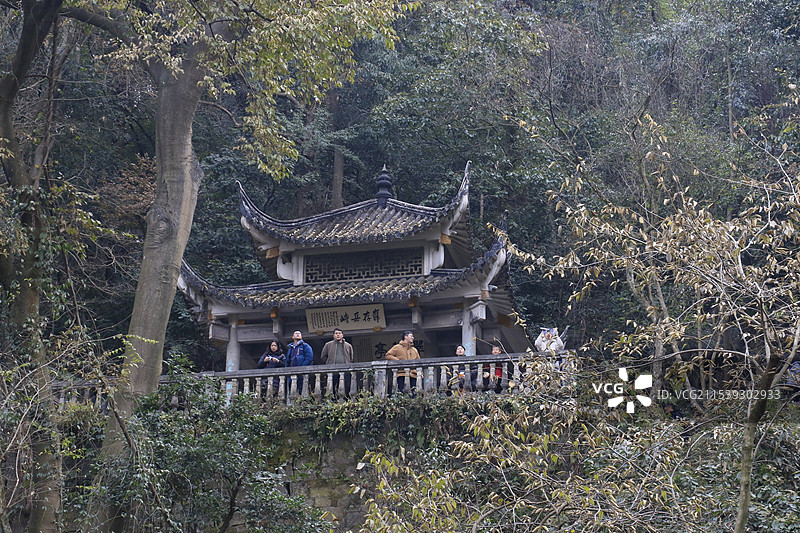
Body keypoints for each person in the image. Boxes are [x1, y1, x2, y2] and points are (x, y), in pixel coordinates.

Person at [320, 328, 353, 396]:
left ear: (342, 335)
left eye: (339, 333)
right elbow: (323, 357)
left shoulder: (348, 346)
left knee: (346, 386)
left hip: (345, 370)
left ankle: (346, 400)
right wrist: (329, 363)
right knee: (333, 387)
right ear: (333, 335)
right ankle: (333, 399)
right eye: (336, 333)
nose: (338, 335)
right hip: (333, 370)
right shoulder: (328, 345)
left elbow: (351, 358)